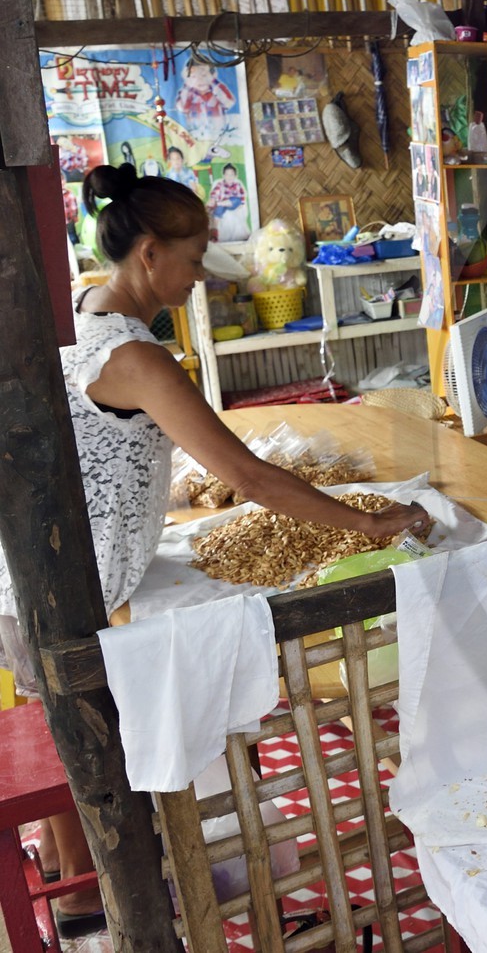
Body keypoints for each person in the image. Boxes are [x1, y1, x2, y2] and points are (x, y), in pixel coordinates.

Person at [0, 164, 430, 923]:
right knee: (83, 743)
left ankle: (78, 894)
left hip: (48, 569)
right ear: (149, 255)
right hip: (63, 582)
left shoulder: (85, 310)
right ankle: (104, 902)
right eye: (194, 258)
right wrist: (368, 524)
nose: (200, 277)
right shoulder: (134, 357)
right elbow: (249, 477)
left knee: (67, 730)